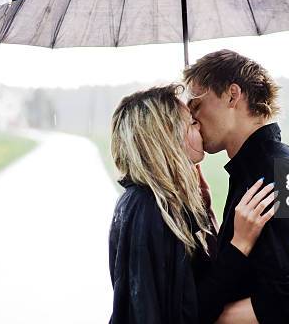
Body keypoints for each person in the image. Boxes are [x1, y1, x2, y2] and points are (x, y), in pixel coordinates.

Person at [183, 49, 289, 324]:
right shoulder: (256, 169)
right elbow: (251, 274)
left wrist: (196, 317)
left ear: (232, 95)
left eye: (196, 106)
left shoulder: (274, 175)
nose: (194, 118)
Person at [108, 84, 277, 324]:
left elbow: (194, 284)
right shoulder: (148, 208)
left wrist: (206, 213)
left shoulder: (161, 202)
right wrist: (240, 243)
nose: (200, 125)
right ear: (167, 135)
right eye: (192, 123)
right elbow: (186, 313)